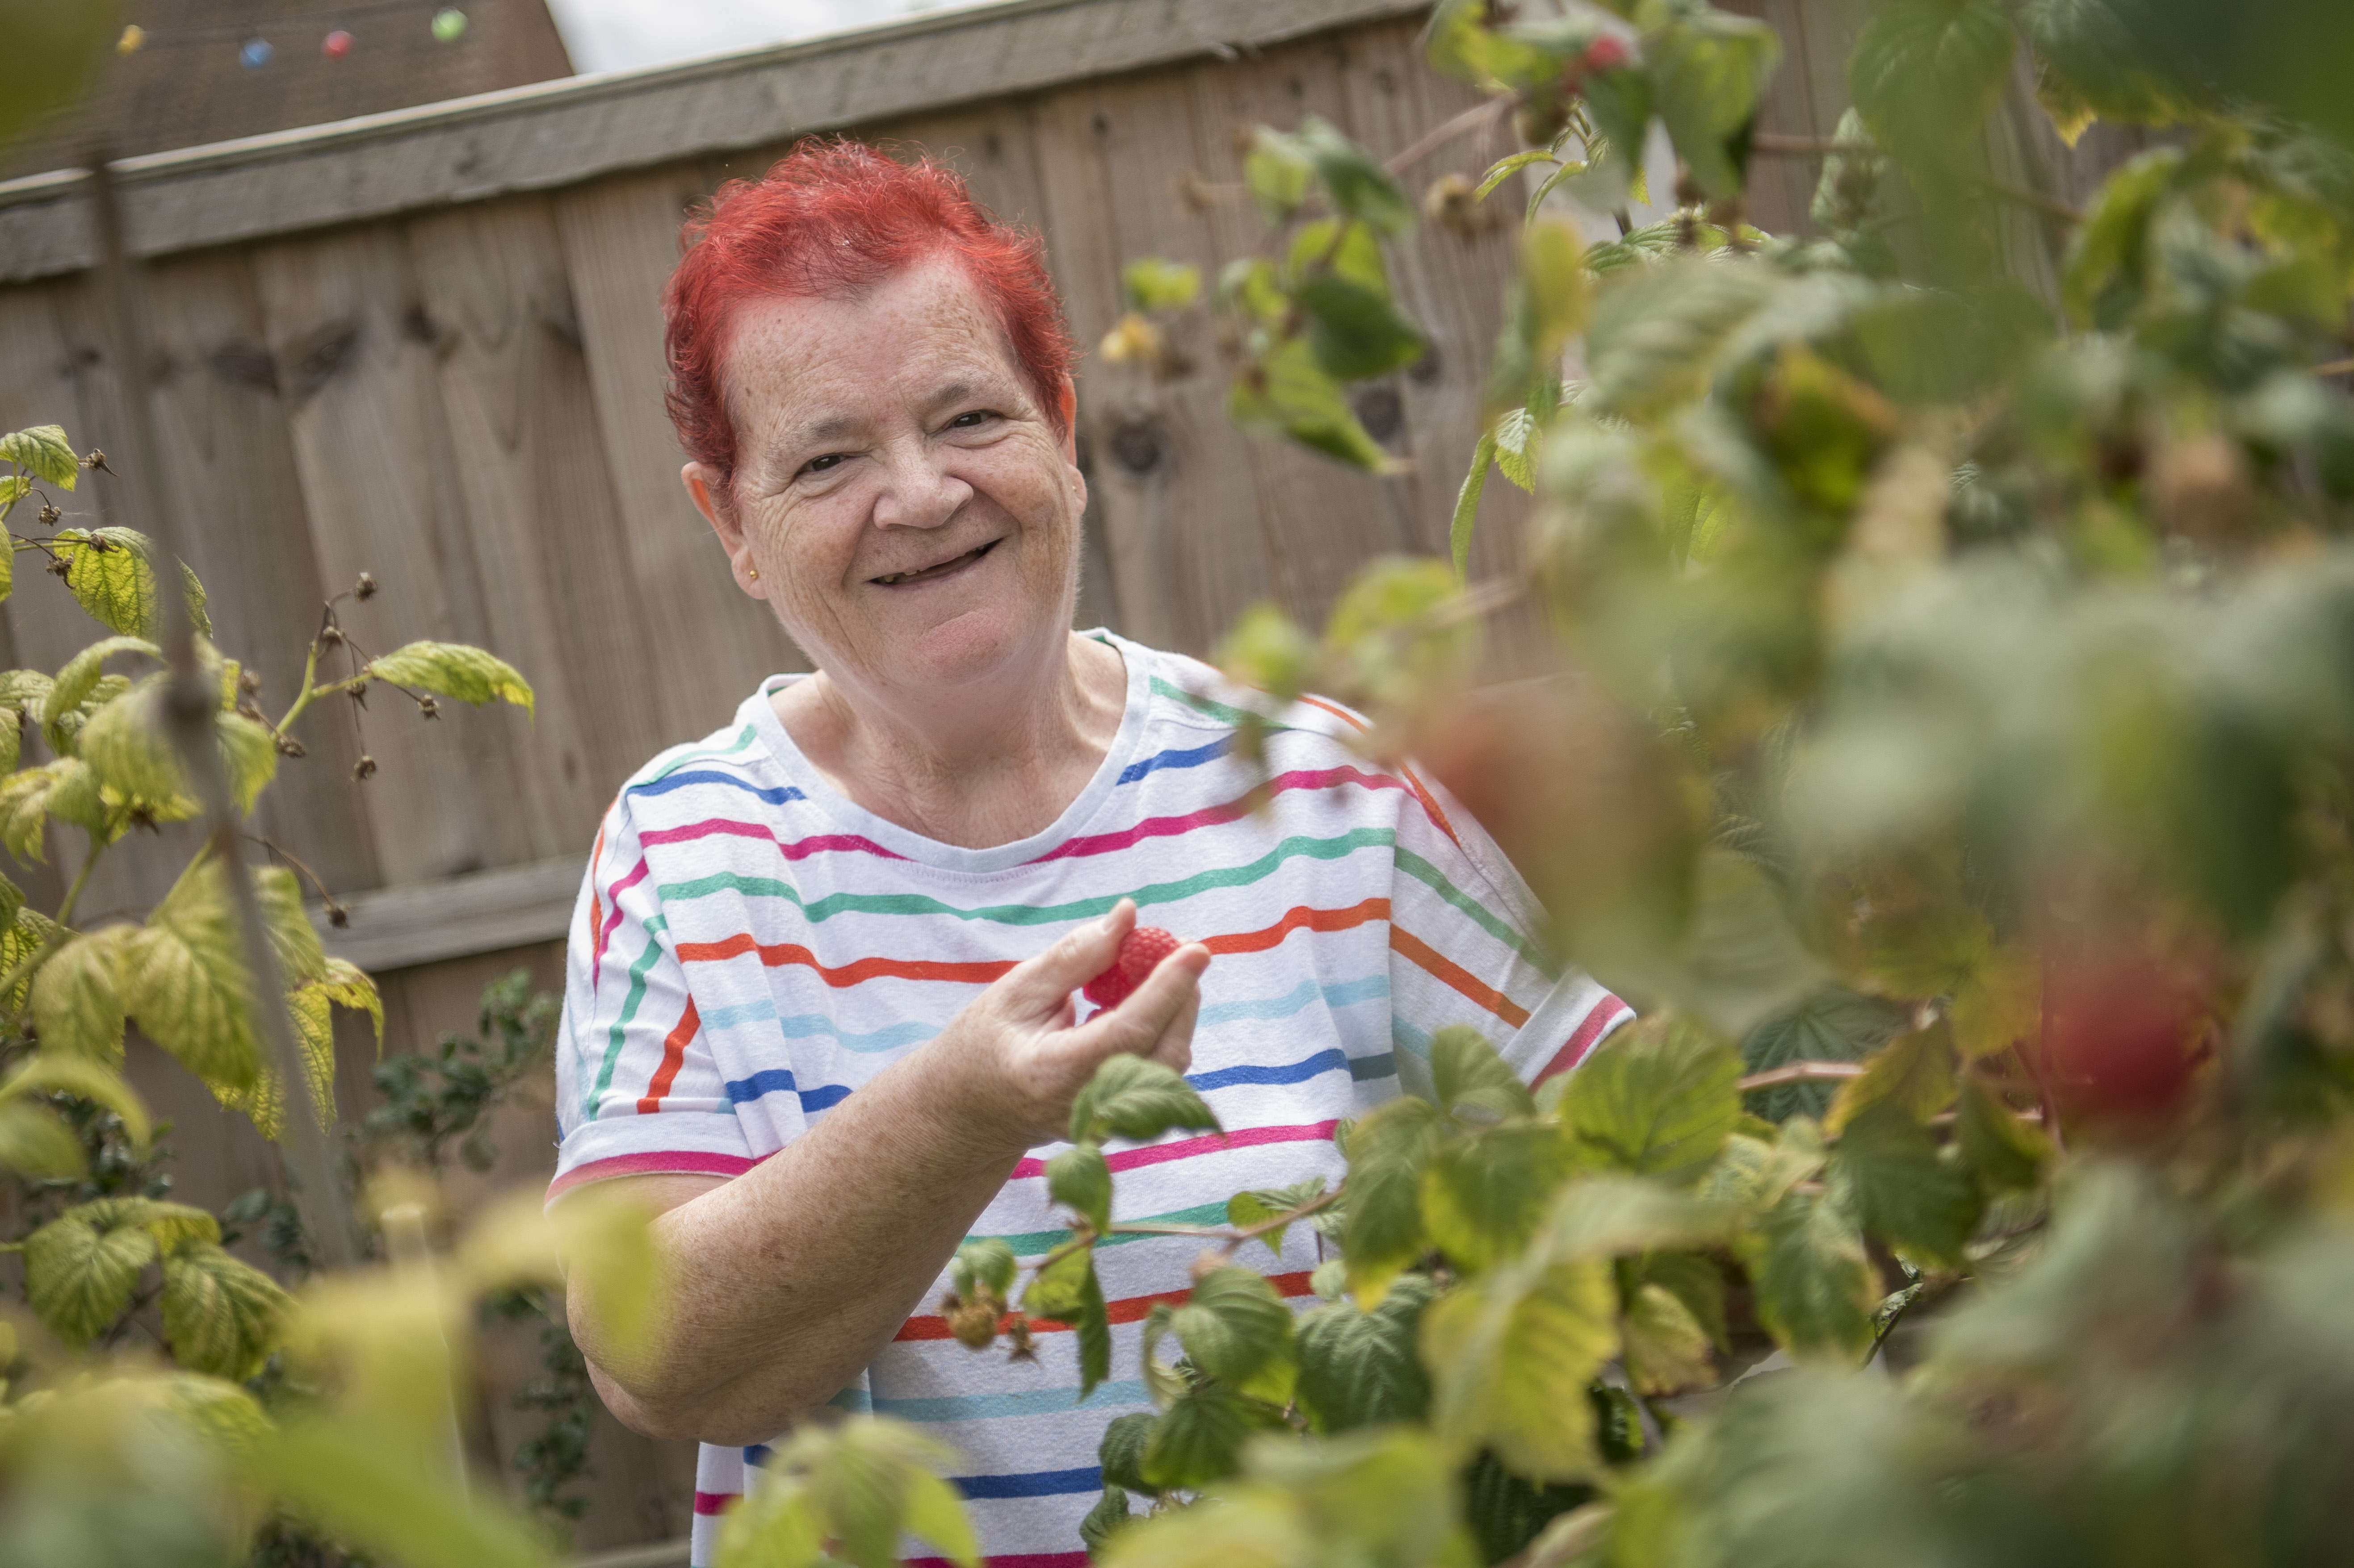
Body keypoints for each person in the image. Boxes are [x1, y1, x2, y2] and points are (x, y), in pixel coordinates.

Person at [549, 139, 1629, 1568]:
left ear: (1061, 423)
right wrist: (966, 1104)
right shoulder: (686, 857)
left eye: (968, 418)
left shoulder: (1314, 786)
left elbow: (1625, 1174)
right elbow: (653, 1359)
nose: (923, 493)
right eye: (828, 459)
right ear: (733, 523)